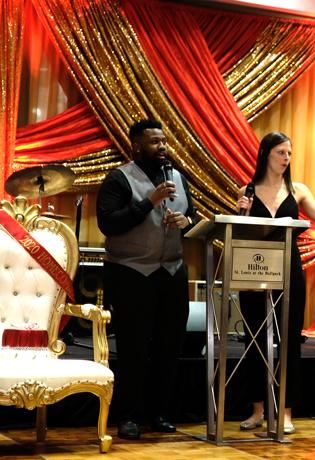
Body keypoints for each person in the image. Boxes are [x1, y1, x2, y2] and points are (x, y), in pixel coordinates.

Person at [236, 132, 315, 433]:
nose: (286, 158)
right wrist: (239, 209)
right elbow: (240, 232)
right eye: (281, 152)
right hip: (254, 265)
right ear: (266, 153)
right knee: (253, 337)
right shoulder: (247, 189)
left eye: (289, 153)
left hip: (288, 265)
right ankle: (257, 410)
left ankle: (285, 412)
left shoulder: (299, 190)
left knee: (289, 339)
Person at [97, 119, 197, 440]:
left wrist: (187, 220)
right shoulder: (119, 178)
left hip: (172, 272)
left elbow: (192, 214)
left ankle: (158, 413)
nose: (163, 147)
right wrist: (148, 203)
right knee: (133, 349)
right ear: (137, 147)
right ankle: (128, 416)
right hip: (131, 274)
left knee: (169, 347)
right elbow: (108, 223)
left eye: (164, 141)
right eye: (154, 142)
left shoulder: (178, 177)